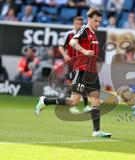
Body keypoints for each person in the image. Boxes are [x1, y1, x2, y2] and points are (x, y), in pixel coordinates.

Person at [35, 8, 111, 138]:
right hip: (82, 71)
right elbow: (72, 42)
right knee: (73, 102)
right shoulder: (84, 30)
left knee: (96, 101)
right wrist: (85, 51)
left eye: (99, 21)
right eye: (95, 21)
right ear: (89, 20)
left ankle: (96, 131)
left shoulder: (93, 33)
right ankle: (45, 101)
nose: (97, 23)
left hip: (92, 73)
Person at [58, 16, 91, 113]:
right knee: (72, 84)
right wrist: (65, 55)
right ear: (74, 24)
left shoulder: (85, 35)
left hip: (81, 63)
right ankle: (72, 106)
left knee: (82, 84)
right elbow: (61, 46)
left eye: (80, 24)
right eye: (77, 24)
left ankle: (85, 106)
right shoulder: (69, 34)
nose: (79, 26)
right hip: (71, 63)